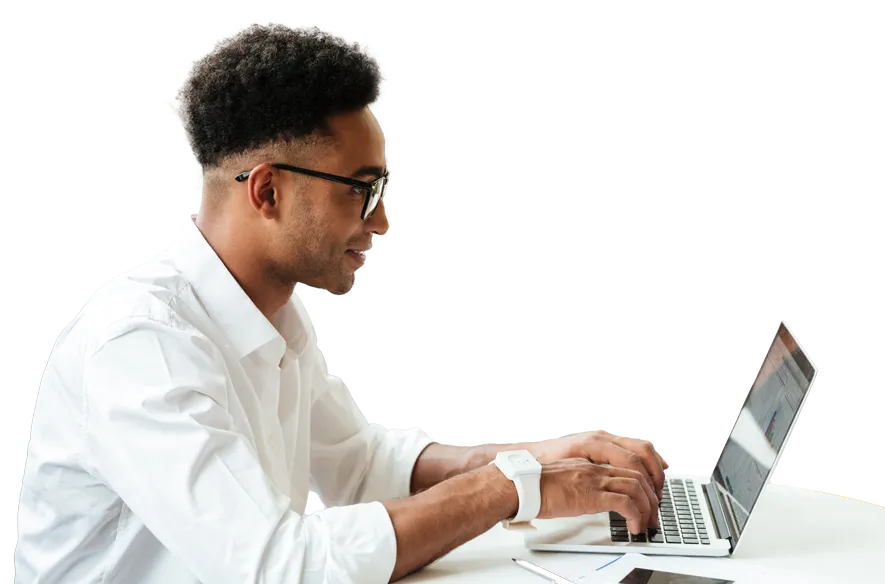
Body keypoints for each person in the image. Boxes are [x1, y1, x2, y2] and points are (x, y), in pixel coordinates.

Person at [14, 21, 668, 584]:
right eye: (360, 189)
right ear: (266, 191)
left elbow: (355, 468)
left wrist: (536, 461)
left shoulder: (269, 311)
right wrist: (510, 487)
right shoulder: (140, 347)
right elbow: (279, 567)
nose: (381, 221)